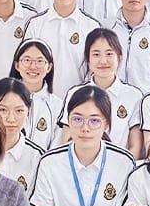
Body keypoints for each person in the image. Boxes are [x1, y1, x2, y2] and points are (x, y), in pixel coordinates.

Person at [31, 85, 136, 206]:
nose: (85, 128)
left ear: (106, 124)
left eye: (94, 121)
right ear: (68, 121)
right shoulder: (49, 163)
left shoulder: (124, 162)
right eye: (77, 119)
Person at [22, 0, 102, 96]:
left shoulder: (92, 26)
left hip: (81, 102)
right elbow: (26, 65)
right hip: (42, 100)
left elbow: (96, 69)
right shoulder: (36, 24)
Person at [62, 28, 145, 157]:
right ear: (88, 60)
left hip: (119, 169)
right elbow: (67, 140)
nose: (103, 61)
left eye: (109, 54)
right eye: (96, 54)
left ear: (119, 57)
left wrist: (121, 169)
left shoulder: (134, 96)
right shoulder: (75, 93)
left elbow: (135, 147)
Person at [0, 77, 46, 196]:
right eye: (3, 110)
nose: (11, 119)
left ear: (28, 113)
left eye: (19, 111)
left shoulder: (38, 158)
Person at [8, 39, 63, 151]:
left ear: (49, 67)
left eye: (40, 61)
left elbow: (57, 144)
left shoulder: (58, 106)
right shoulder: (2, 100)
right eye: (27, 60)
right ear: (17, 65)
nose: (33, 66)